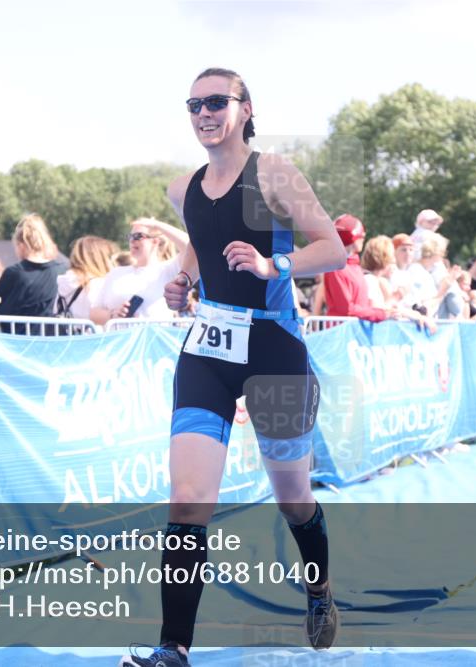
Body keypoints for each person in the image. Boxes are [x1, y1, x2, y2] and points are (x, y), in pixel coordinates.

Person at [119, 67, 347, 667]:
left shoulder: (270, 174)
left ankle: (319, 588)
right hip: (209, 351)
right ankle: (174, 648)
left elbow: (333, 249)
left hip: (273, 352)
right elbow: (200, 235)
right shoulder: (183, 187)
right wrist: (186, 278)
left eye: (217, 102)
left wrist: (275, 266)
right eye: (193, 104)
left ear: (245, 109)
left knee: (293, 499)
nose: (204, 113)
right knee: (188, 500)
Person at [0, 213, 68, 334]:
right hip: (50, 342)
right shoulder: (60, 270)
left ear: (21, 245)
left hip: (18, 342)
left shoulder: (15, 273)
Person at [93, 217, 188, 325]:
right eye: (130, 236)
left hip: (154, 340)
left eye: (138, 236)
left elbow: (190, 244)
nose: (132, 240)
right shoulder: (115, 273)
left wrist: (157, 225)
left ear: (155, 241)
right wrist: (112, 314)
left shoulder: (168, 269)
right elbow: (94, 314)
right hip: (120, 340)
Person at [56, 236, 119, 322]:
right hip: (93, 334)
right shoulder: (98, 284)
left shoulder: (63, 281)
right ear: (102, 258)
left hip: (64, 333)